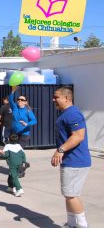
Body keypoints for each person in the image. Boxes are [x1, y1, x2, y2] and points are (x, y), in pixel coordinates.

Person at [51, 86, 91, 228]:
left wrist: (60, 150)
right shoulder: (64, 113)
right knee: (68, 194)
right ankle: (72, 223)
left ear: (67, 98)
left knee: (71, 194)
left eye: (56, 97)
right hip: (70, 160)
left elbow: (79, 136)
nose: (53, 99)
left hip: (76, 160)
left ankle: (82, 225)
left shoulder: (73, 114)